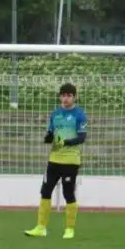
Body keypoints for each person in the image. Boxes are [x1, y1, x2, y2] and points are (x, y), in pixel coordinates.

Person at [24, 83, 88, 239]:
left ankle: (69, 229)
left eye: (69, 95)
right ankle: (41, 227)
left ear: (74, 97)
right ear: (60, 96)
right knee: (45, 191)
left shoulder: (79, 115)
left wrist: (64, 142)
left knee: (68, 193)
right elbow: (51, 134)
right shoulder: (55, 114)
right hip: (54, 159)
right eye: (64, 95)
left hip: (71, 160)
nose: (66, 98)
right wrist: (48, 138)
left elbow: (82, 137)